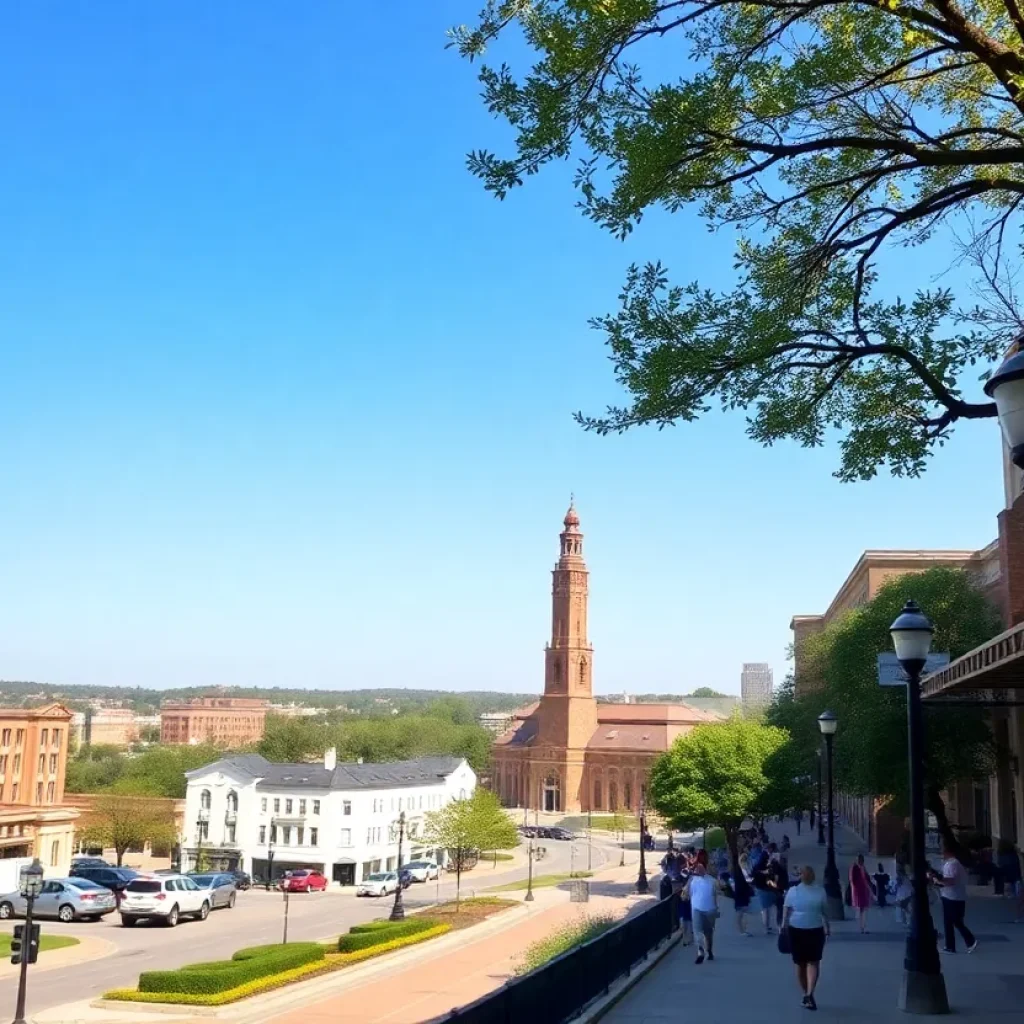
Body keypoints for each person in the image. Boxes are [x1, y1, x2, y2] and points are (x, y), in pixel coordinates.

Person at [782, 864, 830, 1011]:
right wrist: (827, 927)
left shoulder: (793, 891)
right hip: (815, 928)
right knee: (813, 962)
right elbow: (824, 912)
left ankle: (805, 994)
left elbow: (786, 909)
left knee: (800, 963)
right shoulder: (820, 891)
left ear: (801, 876)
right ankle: (810, 992)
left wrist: (783, 926)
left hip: (796, 929)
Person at [933, 844, 978, 954]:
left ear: (948, 852)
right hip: (950, 896)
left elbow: (950, 881)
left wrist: (938, 881)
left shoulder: (953, 864)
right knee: (949, 922)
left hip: (953, 897)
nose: (941, 854)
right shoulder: (951, 863)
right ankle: (950, 946)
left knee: (956, 921)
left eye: (943, 852)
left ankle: (970, 940)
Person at [685, 860, 719, 964]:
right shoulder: (691, 880)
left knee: (708, 932)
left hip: (710, 910)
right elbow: (685, 894)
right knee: (697, 930)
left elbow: (717, 893)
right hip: (697, 909)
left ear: (705, 870)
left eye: (701, 868)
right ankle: (701, 951)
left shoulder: (712, 881)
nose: (698, 870)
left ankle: (709, 950)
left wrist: (716, 908)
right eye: (697, 869)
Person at [752, 850, 776, 934]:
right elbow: (771, 878)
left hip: (759, 889)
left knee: (765, 909)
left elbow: (753, 876)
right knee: (767, 910)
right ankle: (766, 927)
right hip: (767, 889)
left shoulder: (756, 867)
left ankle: (766, 926)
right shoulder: (767, 868)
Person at [849, 853, 873, 934]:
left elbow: (866, 877)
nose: (861, 862)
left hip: (863, 890)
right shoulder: (854, 867)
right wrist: (854, 889)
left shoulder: (862, 867)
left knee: (863, 908)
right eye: (861, 860)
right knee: (861, 909)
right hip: (858, 890)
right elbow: (852, 880)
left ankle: (863, 927)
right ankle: (862, 927)